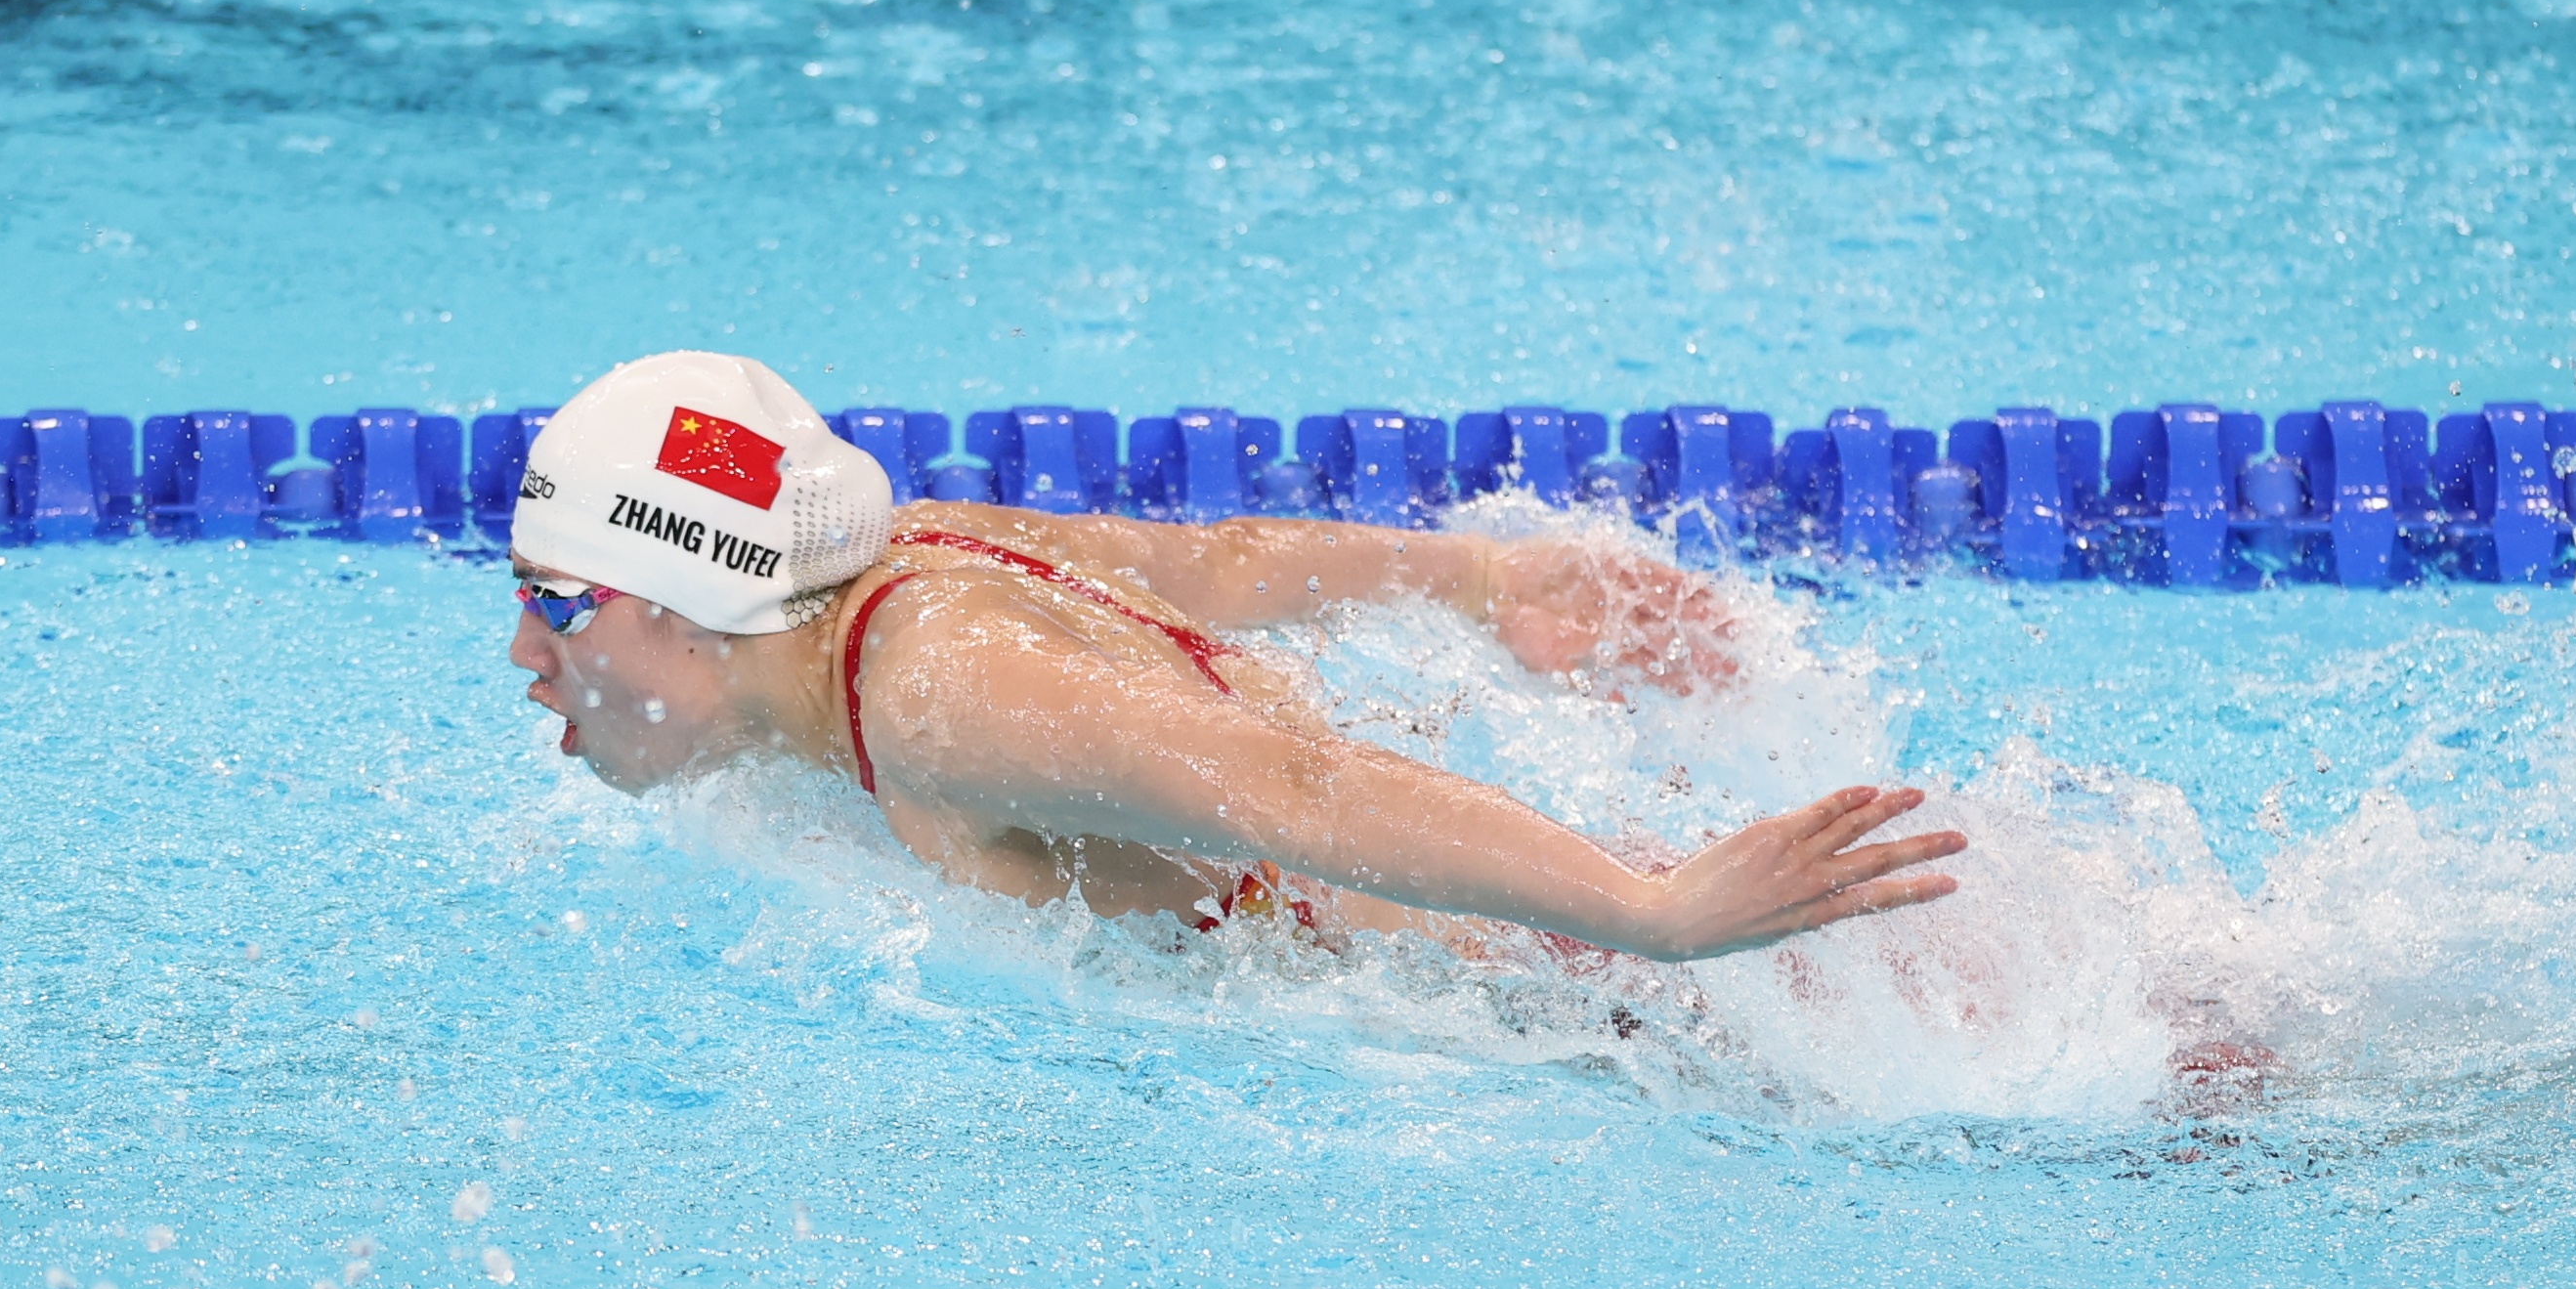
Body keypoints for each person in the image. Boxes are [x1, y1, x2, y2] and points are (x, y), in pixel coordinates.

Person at [497, 348, 1966, 965]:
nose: (523, 656)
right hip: (1558, 932)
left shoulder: (936, 701)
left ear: (682, 603)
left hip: (1584, 982)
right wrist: (1480, 576)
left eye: (553, 602)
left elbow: (1287, 782)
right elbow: (1203, 563)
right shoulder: (901, 568)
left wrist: (1651, 915)